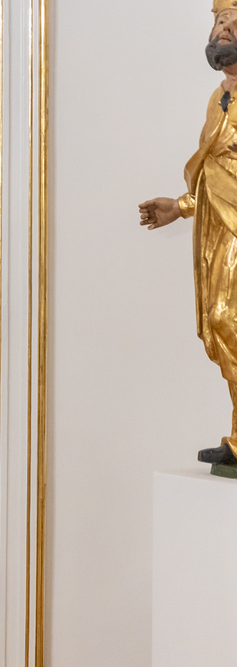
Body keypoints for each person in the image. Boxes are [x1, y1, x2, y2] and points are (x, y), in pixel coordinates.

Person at [138, 0, 237, 464]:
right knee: (219, 325)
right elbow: (216, 171)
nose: (224, 29)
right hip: (218, 228)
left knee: (229, 322)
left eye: (233, 22)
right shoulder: (218, 99)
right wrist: (179, 207)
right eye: (219, 21)